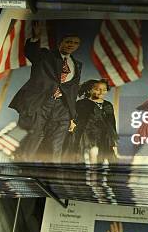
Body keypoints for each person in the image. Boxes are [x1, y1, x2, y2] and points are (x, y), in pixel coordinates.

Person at [9, 21, 82, 162]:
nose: (71, 44)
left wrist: (72, 115)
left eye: (75, 43)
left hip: (63, 107)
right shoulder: (45, 55)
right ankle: (23, 165)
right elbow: (31, 52)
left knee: (57, 142)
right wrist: (35, 38)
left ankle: (54, 171)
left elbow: (72, 90)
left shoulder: (77, 64)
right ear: (61, 42)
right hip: (41, 102)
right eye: (68, 41)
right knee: (34, 136)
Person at [69, 79, 118, 164]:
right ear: (89, 90)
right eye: (98, 89)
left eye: (104, 89)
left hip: (104, 137)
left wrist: (112, 140)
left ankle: (99, 174)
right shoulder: (82, 103)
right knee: (89, 157)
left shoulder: (108, 105)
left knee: (105, 159)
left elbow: (112, 123)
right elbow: (77, 119)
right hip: (87, 136)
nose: (101, 92)